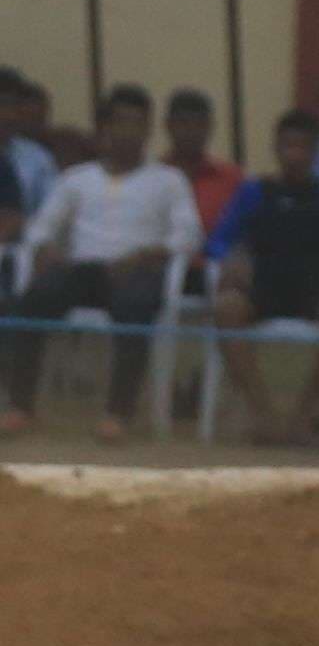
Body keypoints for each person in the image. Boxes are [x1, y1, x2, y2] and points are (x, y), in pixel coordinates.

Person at [0, 86, 201, 441]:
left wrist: (147, 255)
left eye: (138, 123)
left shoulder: (168, 180)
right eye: (120, 122)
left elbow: (188, 234)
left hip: (137, 270)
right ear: (104, 128)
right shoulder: (77, 179)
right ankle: (20, 407)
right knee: (31, 300)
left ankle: (117, 415)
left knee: (135, 306)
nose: (129, 132)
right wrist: (46, 247)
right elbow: (41, 228)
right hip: (83, 270)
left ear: (149, 129)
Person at [205, 108, 319, 442]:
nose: (295, 154)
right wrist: (229, 260)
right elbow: (217, 240)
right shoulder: (254, 192)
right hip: (263, 286)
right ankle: (263, 413)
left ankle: (304, 412)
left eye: (303, 147)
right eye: (288, 145)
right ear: (276, 148)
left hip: (317, 288)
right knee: (226, 307)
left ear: (316, 152)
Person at [160, 89, 242, 237]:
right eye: (183, 123)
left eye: (199, 124)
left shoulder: (232, 180)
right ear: (168, 125)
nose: (191, 131)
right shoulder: (151, 176)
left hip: (216, 258)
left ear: (210, 127)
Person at [0, 72, 62, 218]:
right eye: (3, 104)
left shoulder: (37, 157)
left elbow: (52, 213)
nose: (7, 114)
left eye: (13, 105)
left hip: (24, 237)